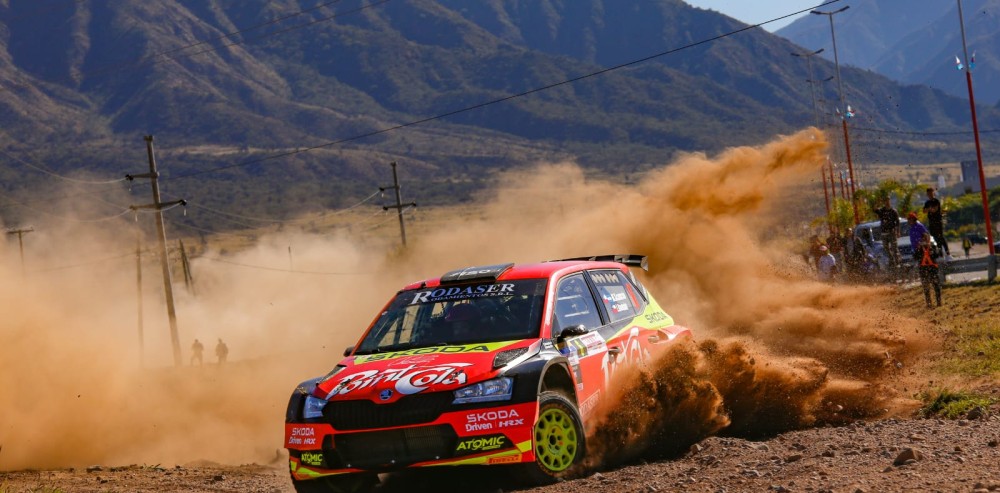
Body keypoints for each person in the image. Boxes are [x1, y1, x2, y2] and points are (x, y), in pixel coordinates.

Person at [923, 187, 952, 261]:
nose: (930, 194)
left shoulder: (936, 201)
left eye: (931, 193)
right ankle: (941, 255)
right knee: (936, 238)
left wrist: (929, 209)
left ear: (933, 193)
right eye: (928, 193)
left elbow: (934, 210)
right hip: (931, 223)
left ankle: (948, 254)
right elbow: (924, 211)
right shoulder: (927, 202)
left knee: (941, 237)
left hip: (938, 222)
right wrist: (929, 209)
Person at [874, 198, 901, 275]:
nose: (887, 202)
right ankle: (891, 259)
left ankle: (897, 261)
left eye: (888, 201)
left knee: (894, 247)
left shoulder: (893, 211)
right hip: (884, 233)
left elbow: (897, 222)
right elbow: (875, 210)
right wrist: (877, 203)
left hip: (892, 232)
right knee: (886, 248)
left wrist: (898, 231)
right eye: (885, 201)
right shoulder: (882, 210)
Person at [917, 232, 942, 308]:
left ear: (929, 239)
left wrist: (932, 250)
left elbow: (938, 254)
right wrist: (919, 249)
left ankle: (939, 302)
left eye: (926, 238)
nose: (925, 240)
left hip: (933, 268)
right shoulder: (920, 248)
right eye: (923, 239)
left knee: (936, 285)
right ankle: (928, 303)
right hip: (923, 269)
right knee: (926, 287)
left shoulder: (933, 246)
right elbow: (915, 257)